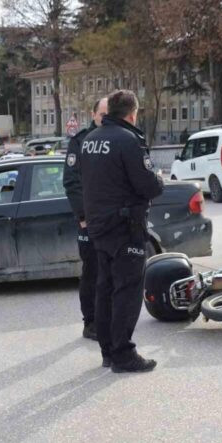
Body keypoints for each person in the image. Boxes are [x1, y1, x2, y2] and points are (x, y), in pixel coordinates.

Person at [79, 90, 163, 373]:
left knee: (105, 289)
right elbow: (149, 186)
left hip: (99, 228)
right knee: (126, 291)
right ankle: (124, 354)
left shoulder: (89, 140)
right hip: (125, 228)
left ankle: (108, 352)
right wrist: (159, 178)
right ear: (132, 113)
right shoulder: (129, 141)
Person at [63, 97, 108, 341]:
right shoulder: (80, 142)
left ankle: (108, 317)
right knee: (92, 271)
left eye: (109, 113)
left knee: (110, 271)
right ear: (93, 115)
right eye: (102, 113)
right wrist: (83, 216)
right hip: (89, 221)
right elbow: (71, 182)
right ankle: (90, 322)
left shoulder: (117, 139)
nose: (105, 117)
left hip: (110, 220)